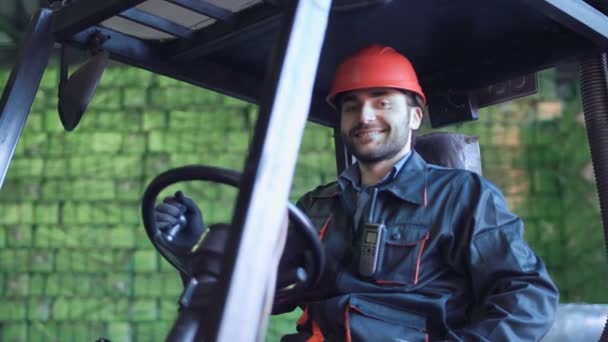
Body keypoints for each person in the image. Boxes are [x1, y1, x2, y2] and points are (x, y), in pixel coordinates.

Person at [279, 44, 559, 341]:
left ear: (414, 117)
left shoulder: (462, 196)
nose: (365, 116)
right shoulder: (315, 205)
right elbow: (273, 289)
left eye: (382, 103)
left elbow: (528, 295)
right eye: (351, 106)